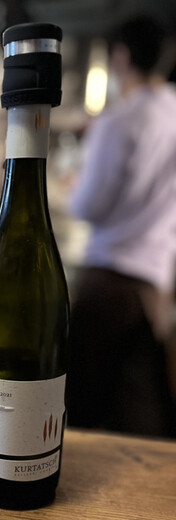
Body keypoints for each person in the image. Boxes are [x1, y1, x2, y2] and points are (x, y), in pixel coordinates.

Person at [66, 16, 176, 437]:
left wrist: (73, 187)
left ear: (122, 56)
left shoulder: (118, 121)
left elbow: (88, 206)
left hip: (109, 281)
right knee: (139, 409)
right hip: (155, 284)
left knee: (83, 408)